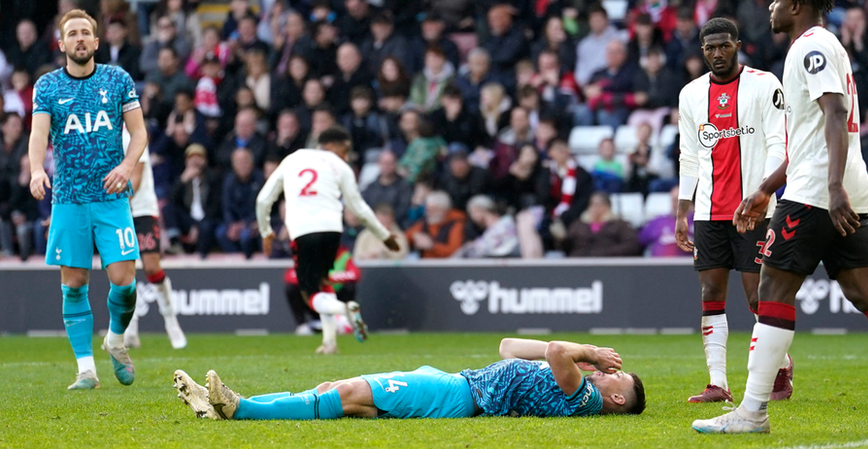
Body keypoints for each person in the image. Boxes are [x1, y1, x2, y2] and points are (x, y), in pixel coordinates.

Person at [694, 0, 868, 435]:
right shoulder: (821, 46)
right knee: (866, 291)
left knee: (773, 290)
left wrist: (831, 187)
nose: (772, 7)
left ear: (795, 4)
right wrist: (765, 188)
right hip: (834, 184)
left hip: (819, 190)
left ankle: (752, 411)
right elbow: (809, 136)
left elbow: (834, 112)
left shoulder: (812, 46)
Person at [28, 9, 148, 391]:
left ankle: (115, 339)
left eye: (86, 33)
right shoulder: (47, 86)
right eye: (72, 34)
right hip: (68, 198)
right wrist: (35, 169)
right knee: (74, 282)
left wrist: (128, 166)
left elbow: (140, 133)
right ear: (62, 44)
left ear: (96, 42)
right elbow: (38, 134)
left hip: (111, 197)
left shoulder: (117, 80)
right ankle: (86, 370)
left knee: (124, 280)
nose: (80, 39)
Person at [675, 17, 790, 404]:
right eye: (710, 48)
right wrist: (682, 209)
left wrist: (762, 193)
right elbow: (688, 155)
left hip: (753, 210)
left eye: (724, 45)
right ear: (702, 51)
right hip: (708, 213)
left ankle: (779, 366)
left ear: (738, 45)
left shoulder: (764, 84)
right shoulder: (691, 94)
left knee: (757, 297)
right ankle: (718, 383)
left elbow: (779, 144)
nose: (717, 53)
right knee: (710, 292)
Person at [173, 337, 644, 420]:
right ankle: (220, 403)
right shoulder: (575, 380)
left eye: (619, 376)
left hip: (460, 394)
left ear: (618, 399)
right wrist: (587, 357)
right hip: (453, 380)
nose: (612, 369)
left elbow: (559, 351)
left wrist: (590, 354)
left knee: (345, 391)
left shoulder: (582, 399)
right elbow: (507, 348)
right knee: (334, 394)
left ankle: (239, 409)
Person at [256, 127, 400, 354]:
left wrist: (266, 231)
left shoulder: (292, 159)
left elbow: (264, 199)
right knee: (323, 283)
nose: (347, 155)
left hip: (303, 232)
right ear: (331, 145)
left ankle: (345, 309)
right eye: (345, 149)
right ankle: (330, 341)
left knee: (309, 293)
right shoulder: (341, 167)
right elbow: (359, 208)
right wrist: (384, 235)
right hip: (333, 231)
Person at [119, 129, 186, 350]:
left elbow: (135, 179)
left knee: (151, 268)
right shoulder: (101, 135)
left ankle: (171, 322)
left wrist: (112, 204)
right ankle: (130, 329)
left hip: (141, 209)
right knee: (124, 271)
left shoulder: (132, 135)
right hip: (117, 210)